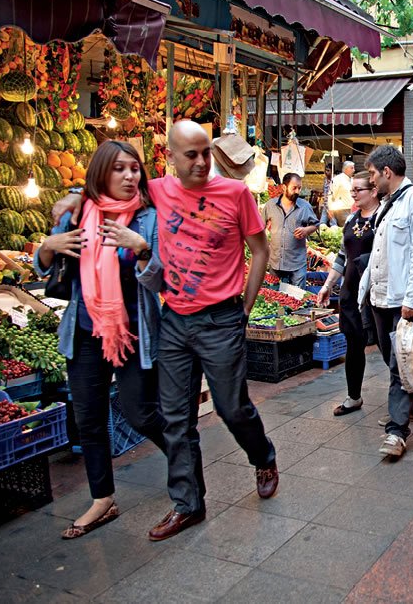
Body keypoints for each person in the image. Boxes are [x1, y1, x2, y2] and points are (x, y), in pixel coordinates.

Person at [51, 120, 279, 541]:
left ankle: (263, 455)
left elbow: (260, 249)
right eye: (189, 155)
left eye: (205, 153)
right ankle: (188, 505)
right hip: (174, 319)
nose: (199, 162)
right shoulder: (155, 190)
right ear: (171, 158)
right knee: (175, 418)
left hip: (221, 319)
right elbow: (102, 191)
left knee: (232, 408)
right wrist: (70, 199)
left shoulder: (235, 193)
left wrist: (244, 308)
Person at [35, 141, 167, 540]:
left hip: (133, 331)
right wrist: (46, 247)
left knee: (140, 413)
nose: (130, 177)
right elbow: (45, 272)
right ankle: (102, 499)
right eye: (120, 169)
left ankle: (183, 457)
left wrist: (141, 248)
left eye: (135, 169)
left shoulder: (147, 219)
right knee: (88, 417)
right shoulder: (77, 214)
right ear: (101, 173)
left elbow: (161, 279)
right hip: (86, 331)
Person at [359, 145, 413, 458]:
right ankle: (409, 404)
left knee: (396, 365)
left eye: (374, 174)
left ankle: (397, 430)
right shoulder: (387, 203)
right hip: (379, 297)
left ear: (387, 172)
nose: (372, 181)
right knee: (396, 357)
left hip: (400, 299)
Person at [317, 171, 379, 415]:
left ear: (373, 191)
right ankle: (354, 396)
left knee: (388, 348)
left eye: (357, 189)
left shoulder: (383, 218)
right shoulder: (352, 220)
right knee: (353, 346)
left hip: (376, 295)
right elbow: (342, 257)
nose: (352, 193)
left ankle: (406, 401)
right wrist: (327, 285)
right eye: (352, 189)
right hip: (351, 293)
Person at [261, 172, 319, 288]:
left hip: (296, 263)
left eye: (299, 188)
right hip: (275, 262)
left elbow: (316, 224)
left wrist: (306, 230)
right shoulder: (270, 205)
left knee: (299, 298)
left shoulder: (305, 206)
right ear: (284, 187)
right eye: (294, 188)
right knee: (274, 297)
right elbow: (260, 226)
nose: (297, 191)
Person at [325, 160, 354, 225]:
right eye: (352, 168)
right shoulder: (337, 179)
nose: (354, 170)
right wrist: (330, 209)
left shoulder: (352, 180)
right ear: (346, 169)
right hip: (342, 209)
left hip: (352, 208)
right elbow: (331, 194)